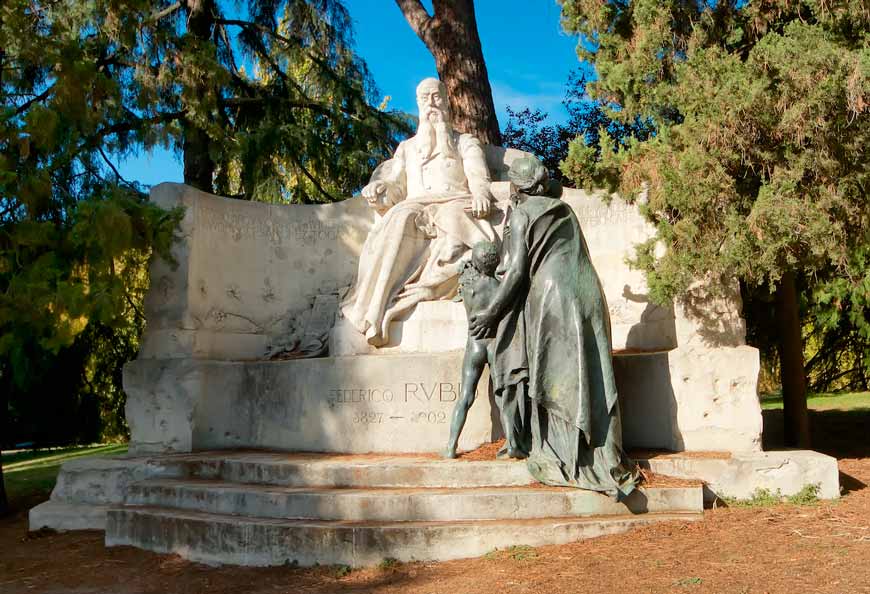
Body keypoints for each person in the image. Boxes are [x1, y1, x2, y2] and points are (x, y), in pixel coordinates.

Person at [469, 156, 638, 498]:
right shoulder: (565, 212)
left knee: (559, 374)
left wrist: (490, 312)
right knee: (587, 371)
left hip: (553, 296)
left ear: (517, 188)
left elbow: (516, 272)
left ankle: (563, 454)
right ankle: (599, 451)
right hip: (588, 292)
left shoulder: (521, 214)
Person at [341, 78, 498, 347]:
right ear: (418, 104)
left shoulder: (464, 142)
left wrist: (482, 194)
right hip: (415, 206)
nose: (431, 104)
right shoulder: (408, 148)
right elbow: (396, 187)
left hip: (455, 203)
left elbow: (477, 176)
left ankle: (411, 295)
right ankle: (373, 312)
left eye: (437, 97)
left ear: (447, 102)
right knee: (400, 218)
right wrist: (380, 188)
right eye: (425, 99)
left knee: (448, 225)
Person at [443, 241, 528, 460]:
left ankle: (451, 447)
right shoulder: (501, 287)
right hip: (496, 345)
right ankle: (512, 443)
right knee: (503, 396)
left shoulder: (466, 284)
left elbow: (463, 279)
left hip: (474, 344)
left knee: (465, 396)